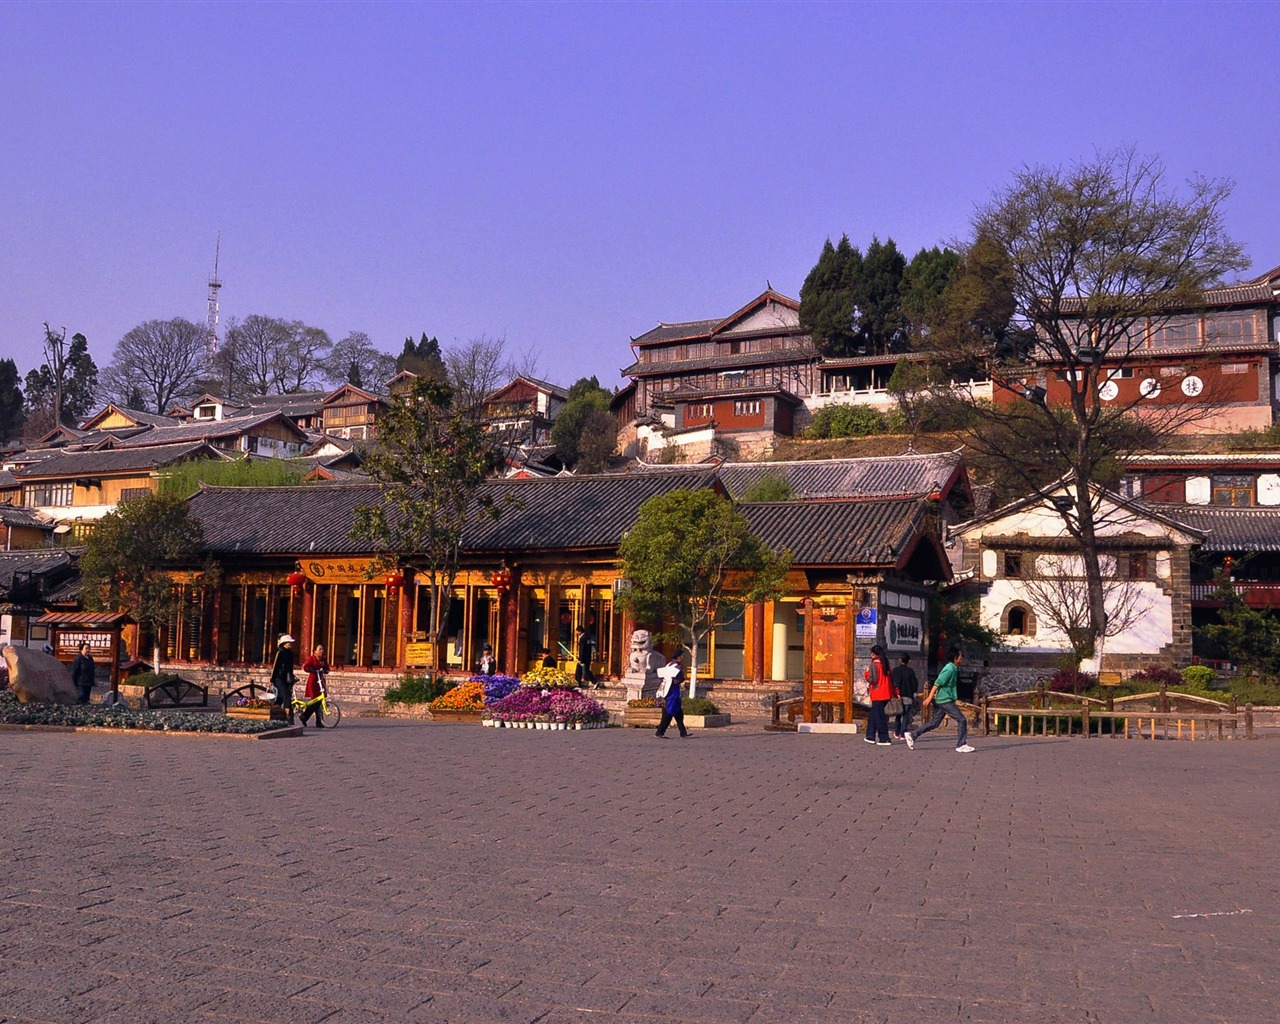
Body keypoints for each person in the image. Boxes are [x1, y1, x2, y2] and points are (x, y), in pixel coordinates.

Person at [904, 647, 975, 753]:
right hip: (945, 700)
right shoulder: (949, 669)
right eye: (960, 656)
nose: (962, 658)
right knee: (962, 719)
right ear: (956, 658)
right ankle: (961, 744)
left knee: (935, 723)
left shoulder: (953, 668)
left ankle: (912, 735)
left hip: (945, 699)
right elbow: (937, 683)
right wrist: (929, 697)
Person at [863, 643, 896, 746]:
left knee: (879, 716)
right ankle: (870, 735)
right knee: (873, 715)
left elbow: (873, 680)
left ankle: (884, 738)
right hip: (886, 692)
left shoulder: (874, 664)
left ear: (874, 654)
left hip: (878, 693)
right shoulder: (885, 663)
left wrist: (866, 673)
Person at [655, 647, 689, 739]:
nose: (682, 657)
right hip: (672, 691)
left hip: (670, 690)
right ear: (679, 657)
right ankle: (660, 732)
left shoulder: (669, 665)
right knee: (669, 712)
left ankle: (683, 732)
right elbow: (678, 679)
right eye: (681, 656)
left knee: (679, 713)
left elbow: (662, 677)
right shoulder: (676, 667)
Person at [890, 653, 920, 739]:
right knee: (906, 715)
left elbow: (893, 683)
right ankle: (902, 733)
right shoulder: (910, 671)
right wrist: (914, 693)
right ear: (909, 661)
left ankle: (896, 731)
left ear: (900, 660)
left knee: (898, 714)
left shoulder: (895, 670)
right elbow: (914, 683)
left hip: (898, 695)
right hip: (908, 695)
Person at [300, 644, 329, 728]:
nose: (321, 651)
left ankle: (310, 718)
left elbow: (327, 668)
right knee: (315, 701)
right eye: (319, 649)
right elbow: (306, 667)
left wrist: (325, 670)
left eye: (322, 649)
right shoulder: (311, 658)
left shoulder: (323, 660)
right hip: (313, 682)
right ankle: (316, 720)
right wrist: (313, 670)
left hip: (321, 682)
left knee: (320, 701)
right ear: (315, 651)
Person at [270, 634, 297, 722]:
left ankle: (274, 715)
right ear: (284, 643)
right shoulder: (280, 652)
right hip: (278, 678)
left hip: (286, 678)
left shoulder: (290, 653)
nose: (290, 644)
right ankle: (287, 717)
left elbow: (290, 668)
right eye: (289, 642)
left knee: (281, 697)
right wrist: (272, 679)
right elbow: (276, 666)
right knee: (286, 695)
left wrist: (292, 677)